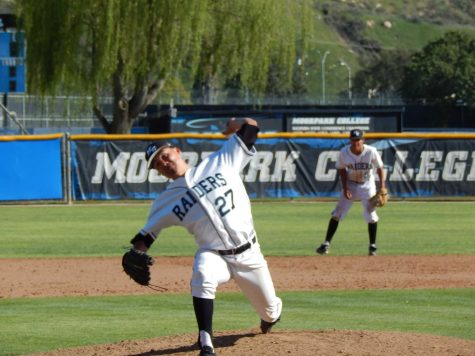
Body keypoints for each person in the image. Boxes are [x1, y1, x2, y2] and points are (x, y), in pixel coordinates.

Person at [129, 117, 282, 356]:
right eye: (158, 164)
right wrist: (135, 253)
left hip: (249, 254)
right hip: (215, 254)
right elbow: (145, 236)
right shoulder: (165, 200)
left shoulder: (220, 160)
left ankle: (270, 316)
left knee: (270, 312)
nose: (164, 163)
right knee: (202, 271)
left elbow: (251, 127)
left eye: (165, 155)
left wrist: (233, 124)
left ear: (177, 151)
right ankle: (206, 343)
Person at [316, 129, 385, 256]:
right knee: (337, 213)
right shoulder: (344, 152)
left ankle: (372, 246)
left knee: (371, 215)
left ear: (363, 140)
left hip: (367, 185)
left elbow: (380, 168)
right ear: (350, 140)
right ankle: (326, 244)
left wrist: (382, 187)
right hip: (351, 184)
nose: (355, 142)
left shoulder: (371, 151)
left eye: (358, 139)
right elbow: (341, 169)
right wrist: (346, 188)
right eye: (353, 140)